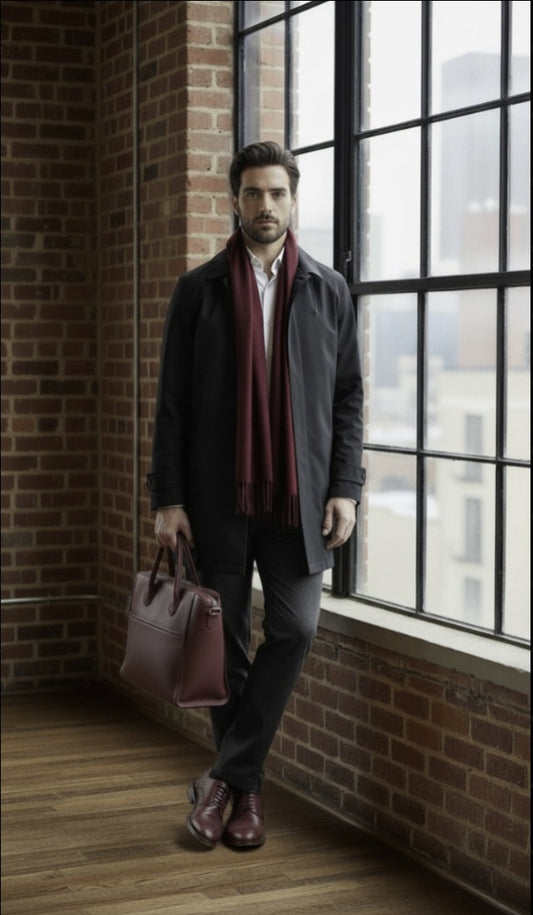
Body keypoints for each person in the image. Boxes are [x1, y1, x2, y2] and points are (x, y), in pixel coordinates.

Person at [147, 141, 365, 850]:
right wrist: (168, 498)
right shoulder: (199, 289)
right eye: (251, 192)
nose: (263, 204)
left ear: (292, 199)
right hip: (214, 497)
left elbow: (347, 399)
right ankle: (245, 799)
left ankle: (224, 778)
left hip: (298, 498)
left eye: (275, 192)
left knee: (297, 626)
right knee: (223, 642)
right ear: (234, 201)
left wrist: (345, 487)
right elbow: (172, 404)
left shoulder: (328, 289)